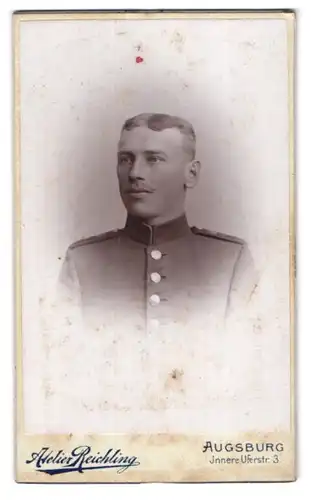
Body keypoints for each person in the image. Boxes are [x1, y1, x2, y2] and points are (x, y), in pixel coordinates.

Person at [54, 113, 257, 421]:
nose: (135, 173)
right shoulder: (82, 262)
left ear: (191, 174)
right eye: (125, 159)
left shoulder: (230, 261)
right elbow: (61, 381)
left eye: (154, 159)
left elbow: (248, 380)